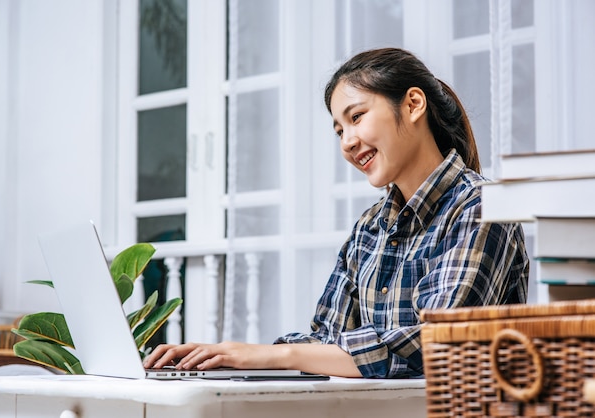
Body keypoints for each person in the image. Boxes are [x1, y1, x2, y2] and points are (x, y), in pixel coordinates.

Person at [143, 47, 529, 378]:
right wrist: (231, 356)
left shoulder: (482, 207)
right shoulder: (369, 227)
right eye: (339, 130)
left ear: (413, 104)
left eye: (356, 117)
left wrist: (275, 356)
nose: (347, 142)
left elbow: (435, 343)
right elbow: (327, 337)